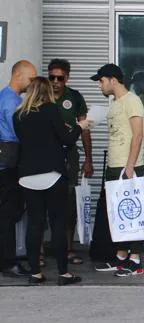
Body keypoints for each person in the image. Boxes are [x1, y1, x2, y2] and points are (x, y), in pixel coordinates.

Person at [13, 77, 91, 285]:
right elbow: (66, 140)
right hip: (52, 175)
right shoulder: (51, 110)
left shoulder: (18, 115)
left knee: (34, 224)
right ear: (47, 91)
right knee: (58, 223)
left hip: (26, 176)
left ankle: (35, 273)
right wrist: (79, 126)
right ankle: (63, 273)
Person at [91, 64, 144, 277]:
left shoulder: (132, 101)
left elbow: (137, 135)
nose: (99, 85)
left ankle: (136, 260)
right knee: (116, 214)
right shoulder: (114, 103)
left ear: (113, 80)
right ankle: (121, 257)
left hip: (128, 166)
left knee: (132, 211)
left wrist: (130, 166)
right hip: (114, 166)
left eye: (101, 80)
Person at [48, 58, 93, 266]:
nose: (55, 81)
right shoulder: (42, 94)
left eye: (60, 77)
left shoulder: (74, 97)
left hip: (69, 157)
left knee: (69, 203)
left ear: (67, 77)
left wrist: (88, 159)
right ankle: (39, 253)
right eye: (52, 77)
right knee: (42, 204)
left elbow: (84, 129)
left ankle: (67, 250)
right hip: (45, 156)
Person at [0, 60, 36, 278]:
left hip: (4, 160)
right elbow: (19, 132)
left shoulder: (3, 95)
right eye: (30, 78)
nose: (32, 83)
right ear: (18, 75)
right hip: (10, 161)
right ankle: (8, 261)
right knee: (9, 213)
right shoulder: (12, 101)